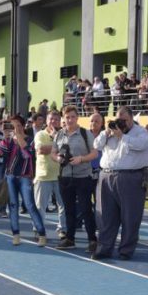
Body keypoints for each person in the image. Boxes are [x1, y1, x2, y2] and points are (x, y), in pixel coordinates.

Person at [93, 105, 148, 260]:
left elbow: (142, 145)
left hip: (130, 178)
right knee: (105, 216)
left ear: (131, 119)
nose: (121, 123)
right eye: (119, 119)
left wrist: (122, 136)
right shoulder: (110, 133)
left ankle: (126, 250)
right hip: (106, 176)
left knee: (130, 216)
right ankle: (104, 248)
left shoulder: (141, 132)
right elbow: (96, 145)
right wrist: (106, 132)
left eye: (124, 120)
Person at [53, 105, 97, 252]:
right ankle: (70, 239)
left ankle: (92, 240)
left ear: (77, 117)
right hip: (65, 176)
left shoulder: (85, 133)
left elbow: (94, 154)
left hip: (83, 176)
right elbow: (53, 153)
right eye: (67, 117)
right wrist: (58, 158)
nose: (70, 120)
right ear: (63, 119)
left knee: (85, 209)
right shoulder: (59, 134)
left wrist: (81, 159)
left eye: (72, 117)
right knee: (68, 209)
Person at [0, 114, 47, 246]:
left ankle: (42, 234)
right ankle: (16, 234)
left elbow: (27, 154)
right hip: (10, 177)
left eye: (18, 125)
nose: (16, 128)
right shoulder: (9, 140)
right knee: (13, 206)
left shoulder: (30, 140)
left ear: (23, 125)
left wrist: (18, 136)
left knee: (30, 205)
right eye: (13, 125)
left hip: (25, 177)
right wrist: (5, 137)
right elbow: (1, 153)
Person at [34, 110, 62, 233]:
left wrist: (54, 146)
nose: (53, 121)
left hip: (61, 175)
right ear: (46, 121)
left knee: (63, 206)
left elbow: (68, 150)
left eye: (56, 119)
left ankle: (63, 229)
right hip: (43, 175)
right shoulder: (40, 134)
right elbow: (41, 149)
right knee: (40, 206)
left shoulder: (64, 134)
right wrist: (57, 143)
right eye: (51, 119)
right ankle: (38, 229)